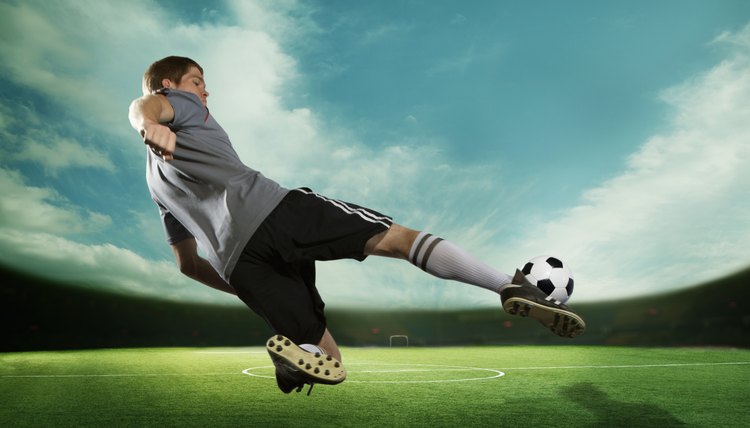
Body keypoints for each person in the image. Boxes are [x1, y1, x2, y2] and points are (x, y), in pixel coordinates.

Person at [128, 56, 586, 395]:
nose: (205, 93)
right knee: (398, 239)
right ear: (170, 85)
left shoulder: (154, 183)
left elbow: (187, 264)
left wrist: (242, 287)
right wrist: (150, 124)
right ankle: (509, 285)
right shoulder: (176, 104)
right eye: (198, 82)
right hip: (274, 211)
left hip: (240, 266)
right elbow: (141, 108)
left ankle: (293, 365)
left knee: (330, 360)